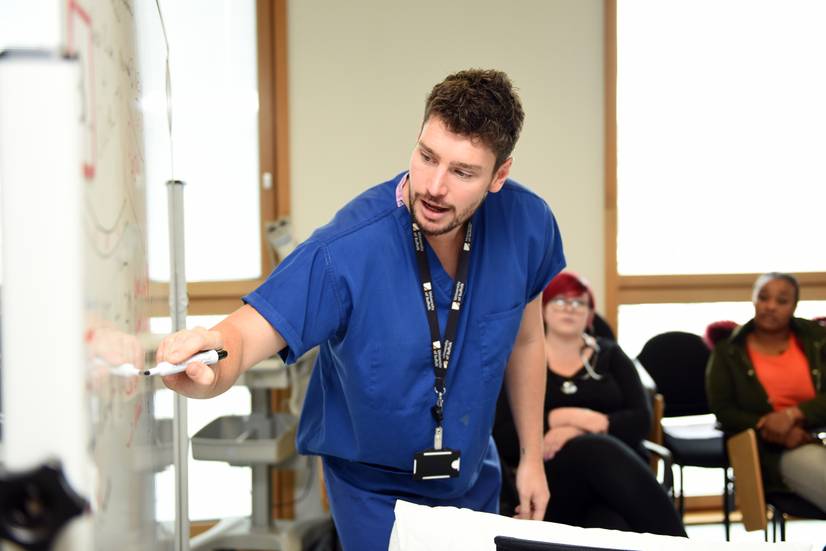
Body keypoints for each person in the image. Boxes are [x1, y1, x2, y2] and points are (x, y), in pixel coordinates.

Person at [156, 69, 565, 550]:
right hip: (375, 492)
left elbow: (526, 339)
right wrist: (211, 357)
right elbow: (245, 336)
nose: (433, 186)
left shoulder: (527, 224)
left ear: (500, 175)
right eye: (427, 156)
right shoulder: (346, 249)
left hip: (471, 476)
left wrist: (532, 457)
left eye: (462, 172)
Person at [494, 272, 686, 536]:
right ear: (543, 308)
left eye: (579, 303)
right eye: (560, 301)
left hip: (619, 478)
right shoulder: (521, 361)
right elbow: (502, 436)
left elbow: (642, 421)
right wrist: (561, 418)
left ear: (590, 314)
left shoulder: (611, 356)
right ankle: (681, 542)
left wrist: (574, 430)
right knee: (593, 448)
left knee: (611, 524)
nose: (569, 309)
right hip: (550, 481)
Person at [707, 272, 826, 511]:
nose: (770, 306)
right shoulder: (728, 351)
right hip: (772, 451)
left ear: (794, 305)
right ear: (753, 300)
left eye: (781, 301)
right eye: (763, 298)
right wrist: (771, 426)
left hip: (817, 436)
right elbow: (724, 411)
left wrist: (794, 414)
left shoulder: (817, 339)